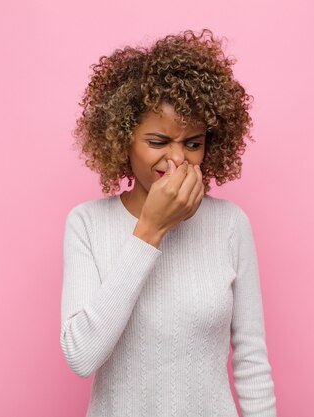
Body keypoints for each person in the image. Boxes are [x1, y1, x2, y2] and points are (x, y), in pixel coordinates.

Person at [60, 28, 277, 417]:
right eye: (158, 142)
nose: (177, 160)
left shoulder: (230, 224)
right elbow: (81, 356)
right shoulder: (87, 223)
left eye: (193, 143)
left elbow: (251, 360)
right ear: (123, 140)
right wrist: (150, 231)